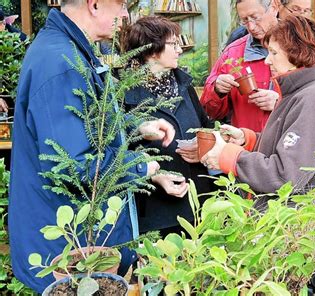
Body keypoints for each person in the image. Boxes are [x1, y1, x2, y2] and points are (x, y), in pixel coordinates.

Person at [9, 2, 177, 292]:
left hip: (79, 246)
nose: (125, 15)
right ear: (95, 4)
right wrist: (140, 167)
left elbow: (86, 120)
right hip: (67, 252)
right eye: (121, 5)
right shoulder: (60, 64)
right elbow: (72, 163)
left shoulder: (71, 50)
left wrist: (135, 126)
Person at [201, 15, 315, 196]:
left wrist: (229, 156)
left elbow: (285, 176)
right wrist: (249, 140)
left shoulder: (312, 98)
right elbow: (292, 147)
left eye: (274, 53)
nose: (268, 61)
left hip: (292, 219)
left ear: (297, 53)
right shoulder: (303, 89)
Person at [122, 16, 216, 236]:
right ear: (152, 51)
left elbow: (206, 126)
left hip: (199, 203)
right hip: (155, 212)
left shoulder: (184, 85)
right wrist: (153, 175)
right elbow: (119, 150)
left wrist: (202, 146)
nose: (180, 50)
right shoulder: (125, 96)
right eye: (173, 44)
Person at [200, 0, 281, 132]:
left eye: (255, 18)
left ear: (274, 7)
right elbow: (211, 112)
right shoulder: (232, 53)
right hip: (245, 147)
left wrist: (280, 103)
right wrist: (217, 90)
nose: (251, 27)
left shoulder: (300, 49)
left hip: (289, 146)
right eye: (244, 20)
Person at [224, 0, 313, 47]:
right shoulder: (238, 38)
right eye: (295, 10)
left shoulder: (307, 38)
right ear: (278, 6)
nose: (301, 17)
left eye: (306, 11)